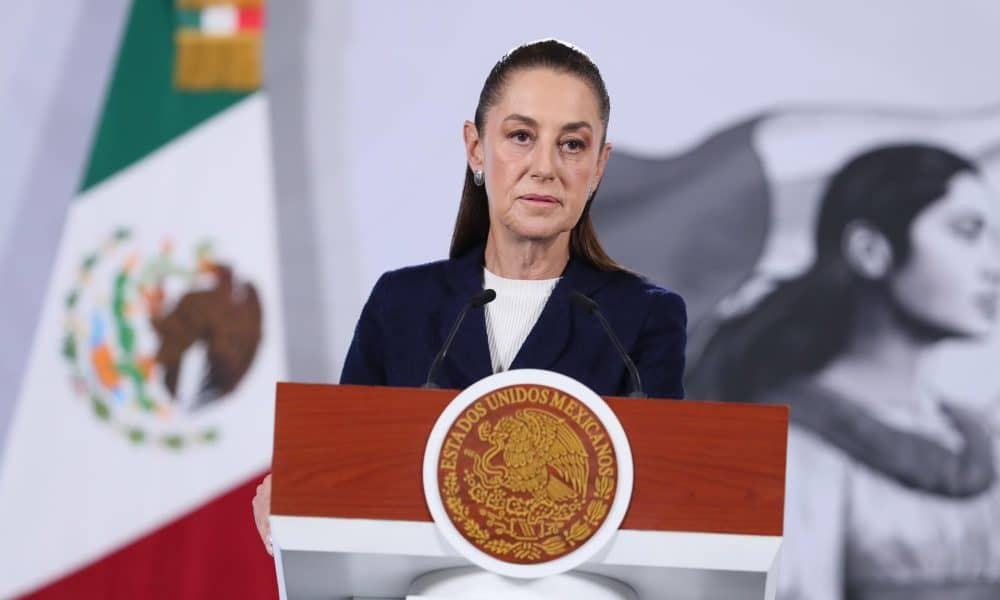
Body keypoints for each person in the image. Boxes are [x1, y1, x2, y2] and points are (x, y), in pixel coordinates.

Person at [252, 39, 687, 555]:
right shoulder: (402, 305)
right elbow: (349, 472)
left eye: (572, 144)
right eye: (521, 136)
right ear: (476, 148)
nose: (545, 167)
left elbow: (664, 509)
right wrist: (298, 500)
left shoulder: (641, 318)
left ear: (598, 166)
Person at [689, 144, 1000, 598]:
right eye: (966, 232)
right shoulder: (791, 448)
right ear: (871, 250)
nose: (993, 265)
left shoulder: (980, 438)